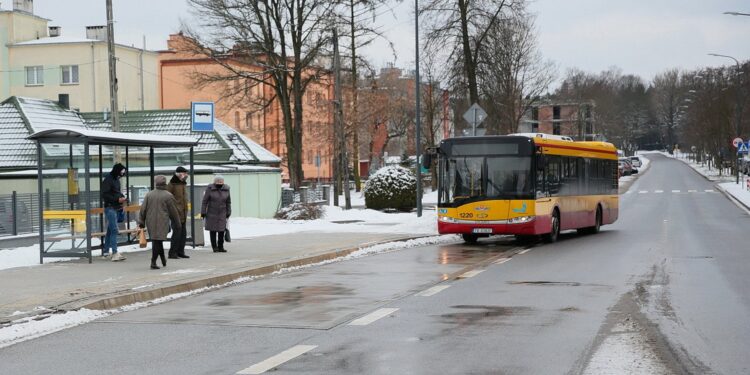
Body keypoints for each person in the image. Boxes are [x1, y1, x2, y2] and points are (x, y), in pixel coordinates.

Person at [138, 175, 181, 270]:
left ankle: (162, 259)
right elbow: (174, 212)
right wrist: (178, 224)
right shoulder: (168, 196)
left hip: (150, 222)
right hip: (163, 221)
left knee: (157, 240)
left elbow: (143, 209)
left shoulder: (149, 195)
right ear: (165, 183)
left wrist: (141, 221)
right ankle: (153, 262)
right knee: (158, 241)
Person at [101, 163, 127, 262]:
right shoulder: (108, 179)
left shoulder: (116, 179)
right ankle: (115, 253)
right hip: (110, 207)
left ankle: (106, 252)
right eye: (122, 171)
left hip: (116, 207)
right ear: (117, 170)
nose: (123, 173)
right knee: (114, 230)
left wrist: (122, 198)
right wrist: (117, 199)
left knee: (110, 230)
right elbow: (105, 195)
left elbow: (117, 192)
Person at [201, 175, 231, 253]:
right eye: (218, 181)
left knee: (222, 230)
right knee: (213, 230)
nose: (219, 183)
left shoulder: (226, 189)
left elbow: (228, 202)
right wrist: (203, 212)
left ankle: (221, 247)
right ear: (214, 182)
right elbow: (205, 201)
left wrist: (228, 212)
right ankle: (214, 247)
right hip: (211, 213)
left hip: (222, 213)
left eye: (221, 181)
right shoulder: (210, 189)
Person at [167, 166, 189, 259]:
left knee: (183, 233)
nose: (185, 175)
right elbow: (168, 198)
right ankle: (172, 253)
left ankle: (180, 251)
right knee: (177, 233)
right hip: (175, 213)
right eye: (184, 173)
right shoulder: (172, 184)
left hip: (183, 212)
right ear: (179, 174)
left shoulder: (183, 183)